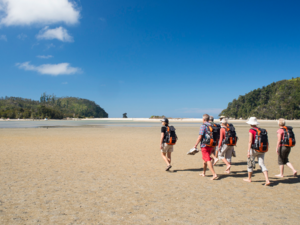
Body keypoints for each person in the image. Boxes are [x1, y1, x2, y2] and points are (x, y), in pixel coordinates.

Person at [243, 117, 270, 186]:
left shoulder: (251, 130)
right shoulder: (261, 130)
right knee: (261, 164)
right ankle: (267, 180)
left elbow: (250, 141)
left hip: (254, 149)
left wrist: (248, 151)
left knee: (250, 163)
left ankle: (249, 178)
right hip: (261, 149)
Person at [194, 114, 218, 180]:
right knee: (205, 159)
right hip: (211, 144)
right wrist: (214, 146)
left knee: (207, 159)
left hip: (204, 145)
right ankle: (203, 173)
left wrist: (195, 145)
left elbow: (200, 137)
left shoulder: (203, 126)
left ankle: (214, 174)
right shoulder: (212, 125)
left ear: (204, 119)